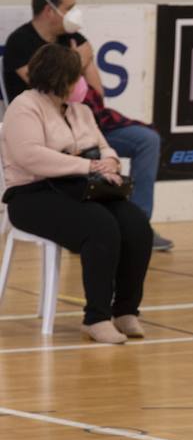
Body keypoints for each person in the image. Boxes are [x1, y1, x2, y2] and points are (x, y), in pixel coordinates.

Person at [2, 0, 172, 251]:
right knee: (81, 153)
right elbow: (46, 85)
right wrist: (78, 60)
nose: (75, 14)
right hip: (49, 128)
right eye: (69, 7)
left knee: (146, 139)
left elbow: (96, 92)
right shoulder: (21, 42)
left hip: (86, 120)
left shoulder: (75, 38)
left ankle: (140, 223)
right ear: (49, 10)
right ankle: (86, 228)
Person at [0, 44, 152, 344]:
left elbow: (103, 145)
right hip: (31, 194)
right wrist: (87, 164)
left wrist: (109, 161)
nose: (80, 82)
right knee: (100, 226)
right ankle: (96, 318)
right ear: (60, 77)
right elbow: (30, 155)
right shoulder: (25, 106)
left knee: (137, 226)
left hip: (80, 188)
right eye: (75, 76)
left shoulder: (81, 111)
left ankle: (125, 310)